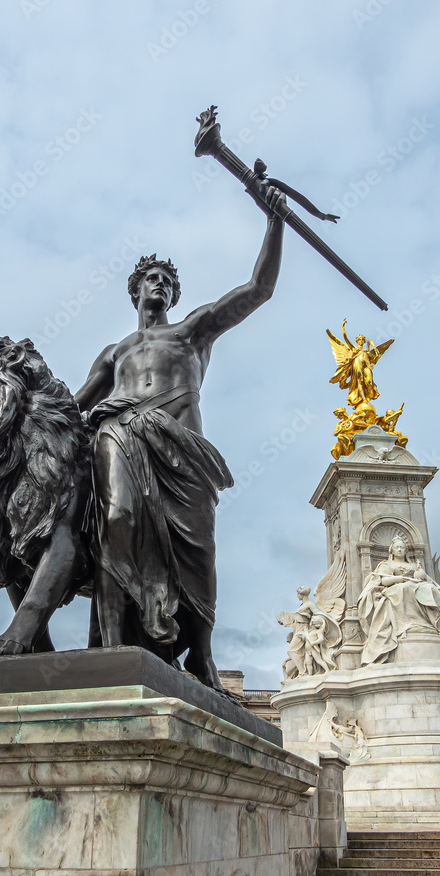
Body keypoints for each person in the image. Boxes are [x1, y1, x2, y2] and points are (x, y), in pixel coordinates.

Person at [75, 184, 286, 689]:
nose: (159, 285)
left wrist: (274, 223)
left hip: (180, 446)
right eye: (151, 278)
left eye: (167, 280)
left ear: (174, 294)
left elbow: (258, 290)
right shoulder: (115, 351)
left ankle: (202, 656)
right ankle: (110, 643)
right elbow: (74, 404)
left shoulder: (192, 331)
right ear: (135, 290)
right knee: (116, 520)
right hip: (120, 433)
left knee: (199, 550)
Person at [358, 535, 440, 665]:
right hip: (396, 587)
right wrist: (399, 579)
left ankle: (434, 623)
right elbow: (383, 580)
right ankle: (407, 626)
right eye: (397, 547)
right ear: (392, 550)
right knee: (404, 588)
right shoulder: (386, 564)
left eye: (402, 547)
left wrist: (433, 583)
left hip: (416, 585)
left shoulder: (414, 565)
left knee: (429, 589)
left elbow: (426, 579)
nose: (400, 550)